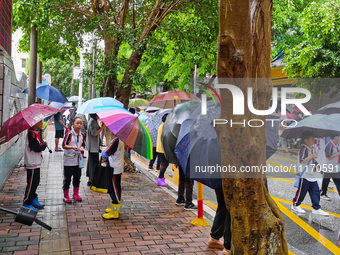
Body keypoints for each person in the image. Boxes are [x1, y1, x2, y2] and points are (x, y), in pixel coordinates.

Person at [291, 131, 329, 216]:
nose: (313, 140)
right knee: (301, 192)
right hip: (304, 175)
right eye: (312, 139)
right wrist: (312, 156)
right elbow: (302, 160)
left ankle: (316, 208)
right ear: (306, 140)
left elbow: (313, 160)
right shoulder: (303, 149)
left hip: (312, 174)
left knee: (315, 191)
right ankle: (295, 205)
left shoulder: (311, 148)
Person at [23, 120, 48, 211]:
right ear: (34, 124)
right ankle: (27, 202)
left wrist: (42, 144)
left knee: (36, 182)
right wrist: (44, 145)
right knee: (31, 184)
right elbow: (37, 148)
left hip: (36, 162)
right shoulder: (31, 135)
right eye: (40, 122)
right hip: (32, 163)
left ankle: (33, 198)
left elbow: (40, 144)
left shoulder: (36, 133)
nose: (42, 123)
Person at [101, 132, 125, 219]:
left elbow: (106, 153)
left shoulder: (116, 141)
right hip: (117, 167)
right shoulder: (121, 140)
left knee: (114, 190)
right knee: (115, 187)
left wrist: (104, 150)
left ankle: (115, 212)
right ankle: (114, 209)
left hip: (114, 168)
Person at [62, 117, 85, 203]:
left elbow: (83, 145)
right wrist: (72, 147)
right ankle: (66, 195)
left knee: (77, 177)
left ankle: (75, 194)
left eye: (81, 123)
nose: (79, 125)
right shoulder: (69, 134)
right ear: (73, 124)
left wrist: (81, 148)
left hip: (78, 160)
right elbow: (63, 145)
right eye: (77, 123)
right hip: (68, 160)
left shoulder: (82, 135)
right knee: (67, 178)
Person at [208, 187, 231, 255]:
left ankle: (215, 238)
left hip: (219, 180)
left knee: (223, 206)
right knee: (230, 210)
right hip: (232, 181)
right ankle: (228, 247)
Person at [86, 113, 104, 186]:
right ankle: (92, 179)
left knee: (91, 162)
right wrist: (102, 127)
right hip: (92, 146)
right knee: (93, 163)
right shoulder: (92, 121)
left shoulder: (93, 120)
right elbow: (94, 133)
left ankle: (91, 179)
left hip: (94, 146)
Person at [321, 135, 340, 200]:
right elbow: (328, 156)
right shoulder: (329, 145)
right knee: (326, 181)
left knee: (338, 182)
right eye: (338, 137)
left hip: (335, 167)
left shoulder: (337, 145)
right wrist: (338, 154)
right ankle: (323, 193)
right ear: (335, 138)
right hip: (328, 167)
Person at [156, 114, 169, 187]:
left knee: (164, 163)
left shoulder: (161, 125)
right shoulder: (164, 126)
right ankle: (160, 179)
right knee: (164, 164)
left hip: (160, 148)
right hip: (162, 148)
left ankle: (161, 179)